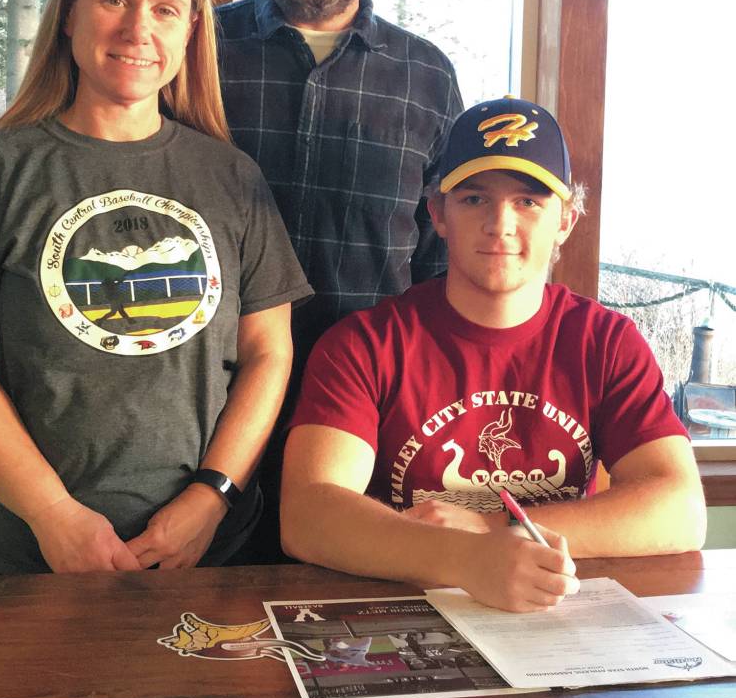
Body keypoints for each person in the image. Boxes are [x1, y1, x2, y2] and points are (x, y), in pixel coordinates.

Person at [0, 0, 312, 576]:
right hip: (27, 564)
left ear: (191, 31)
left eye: (166, 8)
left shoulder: (233, 178)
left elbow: (268, 354)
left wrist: (211, 499)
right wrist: (52, 515)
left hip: (206, 558)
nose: (138, 28)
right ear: (69, 13)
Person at [281, 98, 706, 612]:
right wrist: (466, 558)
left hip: (558, 615)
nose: (499, 224)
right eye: (474, 199)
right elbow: (307, 516)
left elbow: (681, 511)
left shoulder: (607, 341)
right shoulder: (365, 344)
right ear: (438, 213)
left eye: (528, 201)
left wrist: (491, 529)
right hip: (413, 616)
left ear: (566, 220)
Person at [217, 0, 464, 555]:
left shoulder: (426, 75)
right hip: (206, 425)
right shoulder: (199, 51)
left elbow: (441, 266)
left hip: (371, 433)